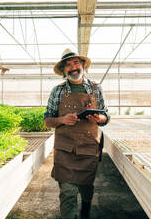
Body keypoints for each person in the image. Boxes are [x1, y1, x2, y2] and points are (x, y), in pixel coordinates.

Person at [44, 48, 110, 219]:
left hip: (88, 148)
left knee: (86, 187)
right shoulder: (57, 91)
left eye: (75, 63)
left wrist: (99, 118)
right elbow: (47, 120)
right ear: (64, 71)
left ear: (82, 65)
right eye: (68, 65)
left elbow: (107, 116)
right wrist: (62, 120)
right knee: (68, 191)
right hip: (65, 150)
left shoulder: (96, 89)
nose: (72, 67)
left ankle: (86, 210)